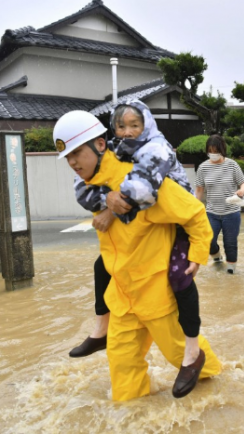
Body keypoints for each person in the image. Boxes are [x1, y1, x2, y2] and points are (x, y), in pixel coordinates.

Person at [55, 108, 220, 400]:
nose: (72, 162)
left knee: (187, 360)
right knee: (122, 372)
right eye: (67, 157)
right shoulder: (92, 188)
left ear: (100, 145)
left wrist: (197, 254)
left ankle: (221, 396)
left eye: (77, 153)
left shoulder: (143, 182)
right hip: (123, 297)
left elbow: (194, 212)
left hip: (157, 295)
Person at [69, 100, 200, 368]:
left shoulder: (157, 147)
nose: (127, 131)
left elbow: (144, 189)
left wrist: (109, 209)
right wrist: (108, 198)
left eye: (134, 125)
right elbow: (84, 189)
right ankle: (101, 328)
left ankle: (193, 348)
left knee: (180, 275)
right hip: (142, 224)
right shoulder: (115, 151)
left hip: (177, 222)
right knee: (102, 266)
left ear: (146, 125)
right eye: (121, 126)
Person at [195, 135, 244, 274]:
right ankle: (217, 257)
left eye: (216, 150)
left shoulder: (232, 165)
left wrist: (241, 190)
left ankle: (231, 271)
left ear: (222, 150)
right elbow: (199, 189)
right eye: (210, 151)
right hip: (211, 212)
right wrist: (195, 207)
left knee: (230, 243)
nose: (213, 154)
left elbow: (243, 181)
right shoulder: (203, 167)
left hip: (231, 212)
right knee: (208, 240)